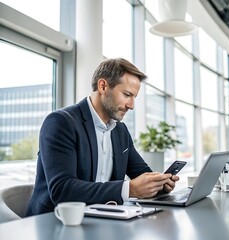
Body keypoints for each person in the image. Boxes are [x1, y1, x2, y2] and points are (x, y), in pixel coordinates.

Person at [26, 58, 179, 216]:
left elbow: (141, 173)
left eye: (134, 97)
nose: (131, 105)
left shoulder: (120, 130)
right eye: (127, 95)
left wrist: (159, 183)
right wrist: (130, 189)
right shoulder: (60, 122)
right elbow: (62, 190)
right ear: (103, 86)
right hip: (54, 222)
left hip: (102, 219)